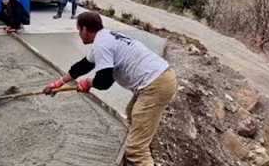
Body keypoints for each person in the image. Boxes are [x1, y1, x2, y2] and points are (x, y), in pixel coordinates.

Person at [44, 12, 177, 166]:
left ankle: (142, 155)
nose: (79, 34)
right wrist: (58, 83)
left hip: (155, 85)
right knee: (132, 115)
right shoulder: (105, 37)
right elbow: (82, 66)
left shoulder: (102, 44)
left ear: (85, 29)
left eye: (79, 30)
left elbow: (105, 81)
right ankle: (143, 142)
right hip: (161, 77)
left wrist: (88, 83)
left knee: (135, 149)